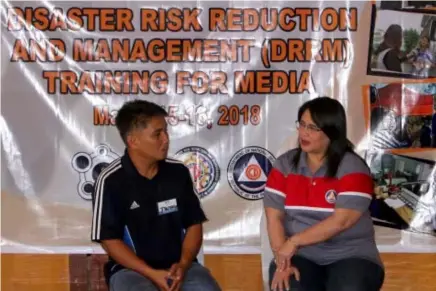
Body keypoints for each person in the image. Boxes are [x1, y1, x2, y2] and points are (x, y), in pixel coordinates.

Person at [90, 100, 221, 291]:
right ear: (133, 141)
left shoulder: (178, 173)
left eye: (166, 132)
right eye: (157, 134)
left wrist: (183, 264)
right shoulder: (110, 180)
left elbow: (194, 224)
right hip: (130, 271)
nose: (166, 139)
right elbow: (110, 241)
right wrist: (152, 274)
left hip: (182, 268)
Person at [263, 97, 385, 291]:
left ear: (331, 132)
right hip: (302, 256)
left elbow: (341, 222)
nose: (304, 132)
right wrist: (282, 262)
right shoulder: (284, 166)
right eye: (302, 124)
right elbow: (274, 219)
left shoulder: (354, 168)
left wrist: (293, 242)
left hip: (351, 254)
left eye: (313, 128)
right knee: (288, 284)